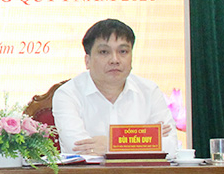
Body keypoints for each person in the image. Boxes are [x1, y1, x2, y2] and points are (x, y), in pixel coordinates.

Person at [52, 18, 178, 155]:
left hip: (141, 170)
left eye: (123, 51)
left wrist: (110, 144)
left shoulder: (149, 91)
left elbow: (171, 147)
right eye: (104, 52)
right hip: (90, 170)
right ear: (87, 61)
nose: (115, 60)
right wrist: (144, 139)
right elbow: (78, 148)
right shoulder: (68, 94)